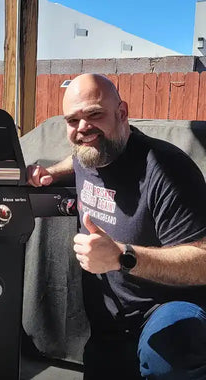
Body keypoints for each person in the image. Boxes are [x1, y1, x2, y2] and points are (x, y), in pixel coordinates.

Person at [26, 73, 206, 379]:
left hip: (167, 309)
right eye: (73, 120)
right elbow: (79, 157)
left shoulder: (166, 168)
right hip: (111, 323)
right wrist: (51, 174)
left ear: (121, 113)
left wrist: (122, 256)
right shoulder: (90, 154)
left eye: (94, 114)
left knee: (171, 350)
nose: (83, 128)